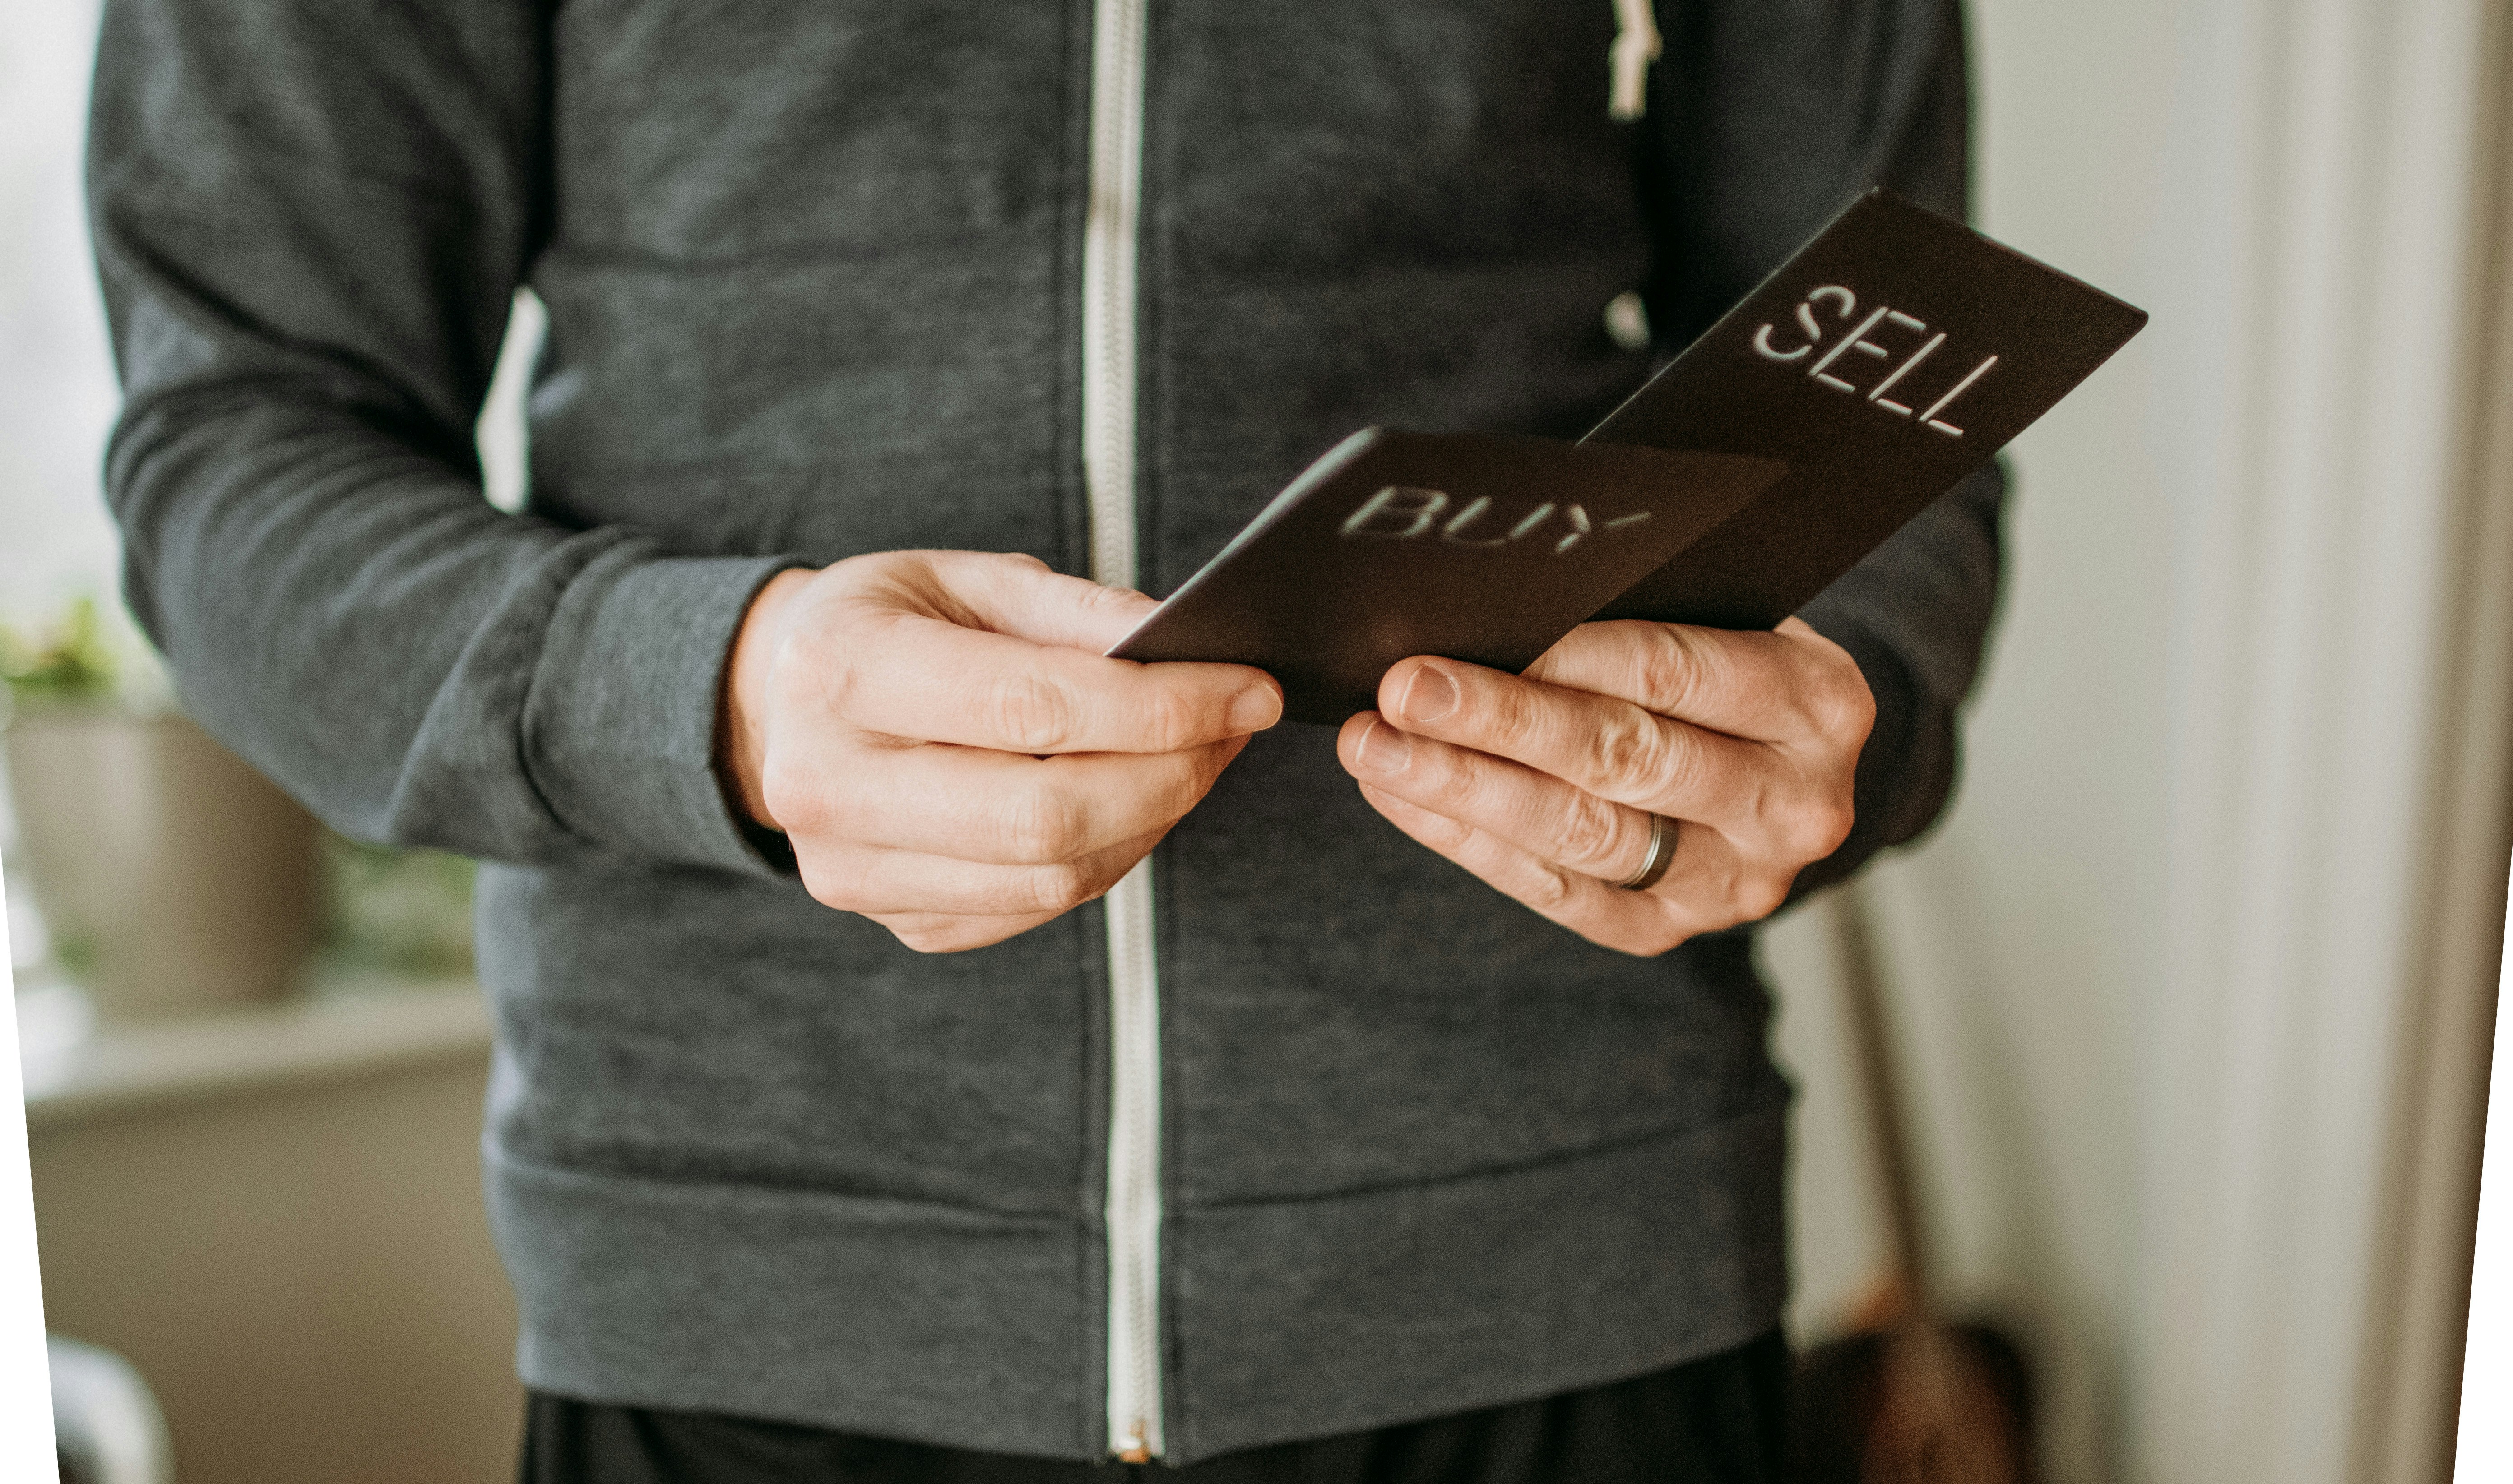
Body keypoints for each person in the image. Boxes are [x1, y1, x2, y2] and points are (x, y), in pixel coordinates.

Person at [85, 0, 2003, 1479]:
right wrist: (704, 694)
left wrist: (1827, 714)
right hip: (756, 1290)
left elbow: (1875, 359)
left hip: (1569, 1268)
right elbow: (232, 448)